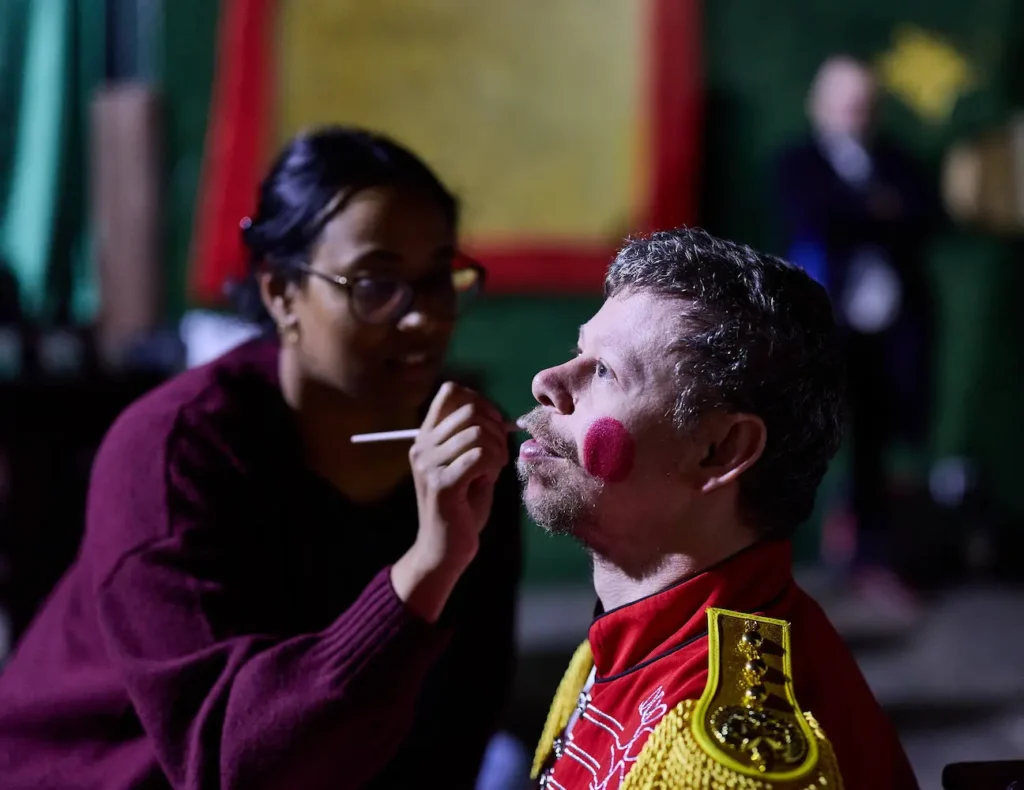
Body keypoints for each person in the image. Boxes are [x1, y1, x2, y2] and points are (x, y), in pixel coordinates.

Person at [0, 127, 521, 789]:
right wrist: (424, 568)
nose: (422, 318)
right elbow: (229, 763)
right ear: (280, 292)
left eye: (438, 280)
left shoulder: (469, 461)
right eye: (376, 284)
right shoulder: (173, 452)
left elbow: (457, 727)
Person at [518, 228, 917, 789]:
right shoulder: (627, 638)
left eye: (605, 371)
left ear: (720, 451)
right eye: (578, 353)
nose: (547, 383)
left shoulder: (722, 765)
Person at [775, 56, 941, 606]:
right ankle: (775, 565)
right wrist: (876, 211)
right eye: (843, 101)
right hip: (824, 330)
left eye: (863, 101)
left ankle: (869, 554)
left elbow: (922, 214)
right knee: (796, 441)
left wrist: (869, 212)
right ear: (819, 105)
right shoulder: (797, 162)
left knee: (875, 444)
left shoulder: (897, 161)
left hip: (890, 331)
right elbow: (814, 217)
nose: (854, 112)